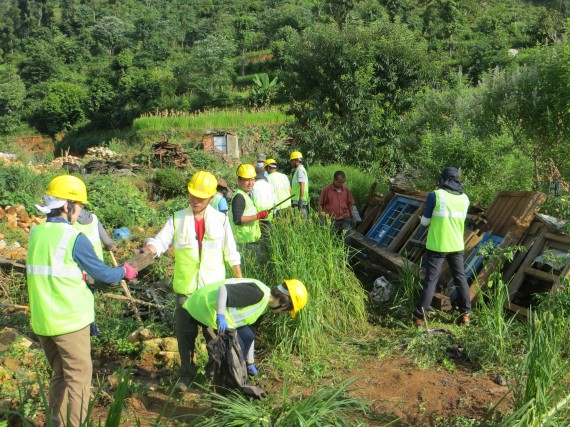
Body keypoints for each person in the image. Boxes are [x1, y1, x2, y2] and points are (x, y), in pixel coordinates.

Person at [27, 175, 138, 427]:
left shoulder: (36, 233)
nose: (80, 211)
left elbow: (54, 268)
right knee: (78, 379)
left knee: (60, 375)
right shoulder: (73, 237)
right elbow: (104, 274)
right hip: (71, 322)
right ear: (68, 206)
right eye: (79, 205)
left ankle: (56, 422)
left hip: (44, 322)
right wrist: (124, 271)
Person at [140, 170, 242, 391]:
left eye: (201, 197)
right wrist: (151, 247)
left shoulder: (221, 220)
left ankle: (214, 374)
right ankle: (187, 374)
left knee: (213, 336)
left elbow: (231, 252)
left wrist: (239, 279)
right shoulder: (177, 218)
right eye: (192, 195)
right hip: (185, 290)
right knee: (185, 336)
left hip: (211, 291)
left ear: (211, 197)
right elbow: (160, 241)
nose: (195, 200)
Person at [182, 278, 308, 377]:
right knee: (235, 348)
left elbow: (250, 335)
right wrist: (220, 316)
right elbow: (223, 290)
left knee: (246, 336)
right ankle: (226, 382)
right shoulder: (258, 294)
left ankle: (237, 372)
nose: (283, 313)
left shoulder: (263, 307)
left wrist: (250, 362)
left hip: (219, 315)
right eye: (287, 310)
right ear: (284, 303)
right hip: (203, 306)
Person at [413, 167, 471, 326]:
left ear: (443, 179)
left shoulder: (435, 195)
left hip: (438, 245)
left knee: (431, 281)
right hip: (457, 245)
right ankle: (466, 314)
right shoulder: (465, 199)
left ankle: (420, 317)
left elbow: (425, 222)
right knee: (460, 279)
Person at [229, 164, 269, 244]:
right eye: (246, 180)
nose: (250, 183)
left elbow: (247, 214)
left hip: (249, 238)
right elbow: (237, 220)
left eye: (252, 179)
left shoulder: (246, 195)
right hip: (244, 241)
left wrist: (257, 221)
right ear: (239, 181)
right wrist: (257, 216)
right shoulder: (239, 197)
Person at [251, 164, 277, 230]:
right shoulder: (270, 186)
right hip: (269, 216)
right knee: (268, 238)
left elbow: (250, 202)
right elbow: (275, 202)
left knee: (259, 238)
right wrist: (275, 214)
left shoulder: (253, 187)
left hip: (257, 217)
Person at [290, 151, 309, 218]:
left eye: (292, 161)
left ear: (296, 160)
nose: (291, 163)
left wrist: (300, 200)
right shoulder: (298, 170)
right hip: (296, 200)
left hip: (299, 201)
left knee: (301, 222)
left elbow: (302, 185)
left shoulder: (300, 170)